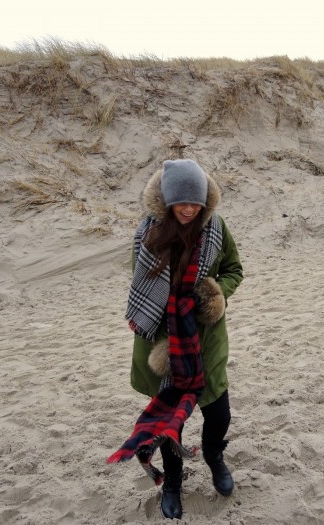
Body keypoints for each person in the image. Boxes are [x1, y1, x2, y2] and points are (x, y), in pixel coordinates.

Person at [107, 159, 244, 520]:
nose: (188, 209)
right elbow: (143, 286)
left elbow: (234, 270)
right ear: (167, 200)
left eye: (195, 202)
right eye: (180, 202)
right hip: (161, 346)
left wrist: (217, 293)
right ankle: (172, 482)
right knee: (170, 425)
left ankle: (214, 456)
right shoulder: (148, 233)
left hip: (206, 343)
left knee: (219, 414)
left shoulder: (216, 228)